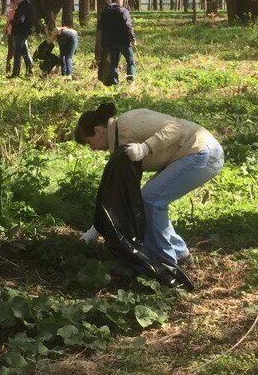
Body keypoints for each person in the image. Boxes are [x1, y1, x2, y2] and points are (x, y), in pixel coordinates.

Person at [75, 103, 223, 265]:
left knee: (150, 200)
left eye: (89, 143)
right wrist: (97, 227)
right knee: (147, 199)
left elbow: (176, 128)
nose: (92, 149)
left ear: (98, 131)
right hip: (188, 156)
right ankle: (181, 256)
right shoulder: (118, 146)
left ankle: (166, 263)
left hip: (202, 152)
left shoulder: (128, 122)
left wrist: (145, 148)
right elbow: (120, 192)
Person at [97, 0, 136, 85]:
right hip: (124, 41)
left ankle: (114, 82)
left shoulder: (105, 11)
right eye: (122, 0)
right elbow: (128, 26)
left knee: (113, 63)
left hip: (110, 43)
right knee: (130, 60)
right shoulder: (123, 11)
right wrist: (133, 38)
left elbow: (99, 27)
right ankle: (130, 81)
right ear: (119, 0)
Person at [9, 0, 36, 78]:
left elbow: (21, 20)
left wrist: (12, 21)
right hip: (24, 32)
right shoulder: (25, 6)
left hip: (20, 33)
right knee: (25, 52)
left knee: (17, 54)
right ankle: (30, 71)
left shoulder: (23, 7)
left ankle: (15, 74)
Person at [4, 0, 17, 75]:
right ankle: (8, 69)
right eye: (10, 4)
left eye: (12, 4)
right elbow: (7, 22)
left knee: (16, 52)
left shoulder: (18, 12)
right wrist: (4, 31)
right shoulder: (9, 12)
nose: (11, 5)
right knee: (10, 52)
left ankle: (16, 69)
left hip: (16, 34)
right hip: (10, 33)